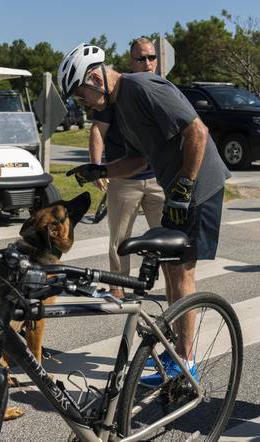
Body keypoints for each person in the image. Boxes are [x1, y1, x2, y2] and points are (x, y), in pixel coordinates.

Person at [60, 44, 231, 387]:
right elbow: (139, 160)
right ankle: (177, 347)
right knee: (170, 268)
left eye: (82, 96)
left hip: (199, 186)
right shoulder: (121, 105)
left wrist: (185, 186)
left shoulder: (142, 87)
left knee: (182, 272)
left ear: (95, 78)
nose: (84, 104)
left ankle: (186, 361)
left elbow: (197, 131)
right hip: (178, 189)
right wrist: (100, 170)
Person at [88, 37, 165, 299]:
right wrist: (98, 166)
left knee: (166, 238)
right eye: (141, 58)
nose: (148, 63)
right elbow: (98, 130)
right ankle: (118, 288)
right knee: (120, 239)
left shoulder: (160, 89)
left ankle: (176, 290)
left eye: (152, 57)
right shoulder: (115, 94)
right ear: (130, 62)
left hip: (158, 178)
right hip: (124, 178)